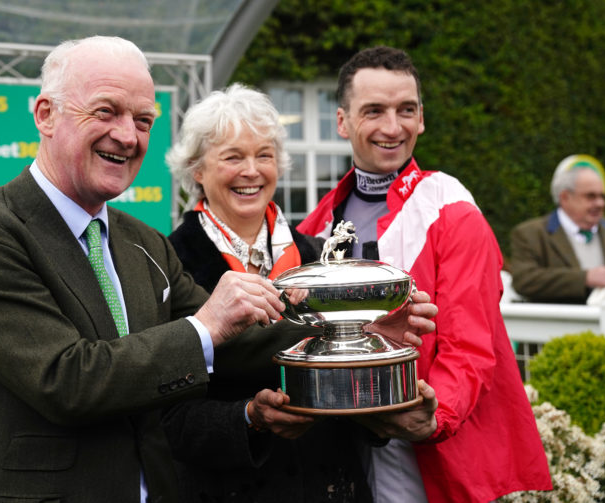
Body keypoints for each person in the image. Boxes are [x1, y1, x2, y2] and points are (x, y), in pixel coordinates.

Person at [0, 36, 291, 503]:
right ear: (45, 115)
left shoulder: (143, 242)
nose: (127, 135)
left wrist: (364, 331)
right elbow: (66, 379)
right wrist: (205, 326)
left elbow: (243, 338)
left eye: (143, 120)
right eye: (106, 112)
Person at [297, 46, 552, 502]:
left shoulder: (452, 210)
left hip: (423, 445)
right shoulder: (315, 225)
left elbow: (471, 341)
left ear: (422, 119)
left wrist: (435, 418)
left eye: (406, 110)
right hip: (336, 445)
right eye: (374, 111)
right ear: (342, 122)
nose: (393, 128)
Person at [162, 83, 438, 502]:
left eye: (264, 155)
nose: (251, 171)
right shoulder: (172, 262)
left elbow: (351, 393)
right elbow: (167, 414)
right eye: (233, 157)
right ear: (197, 170)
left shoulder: (318, 255)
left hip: (334, 485)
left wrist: (385, 364)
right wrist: (248, 418)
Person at [510, 154, 605, 303]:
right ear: (565, 198)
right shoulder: (531, 233)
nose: (600, 203)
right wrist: (584, 278)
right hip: (558, 324)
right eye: (590, 196)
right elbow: (524, 280)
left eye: (602, 196)